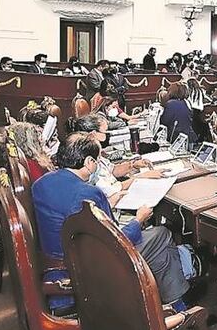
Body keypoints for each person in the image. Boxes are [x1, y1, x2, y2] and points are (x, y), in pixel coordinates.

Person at [31, 133, 196, 312]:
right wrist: (138, 220)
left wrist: (107, 204)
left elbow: (68, 213)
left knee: (160, 252)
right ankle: (176, 302)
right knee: (161, 235)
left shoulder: (40, 183)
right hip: (89, 267)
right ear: (88, 162)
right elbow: (115, 240)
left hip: (59, 260)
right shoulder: (88, 193)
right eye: (96, 160)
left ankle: (171, 302)